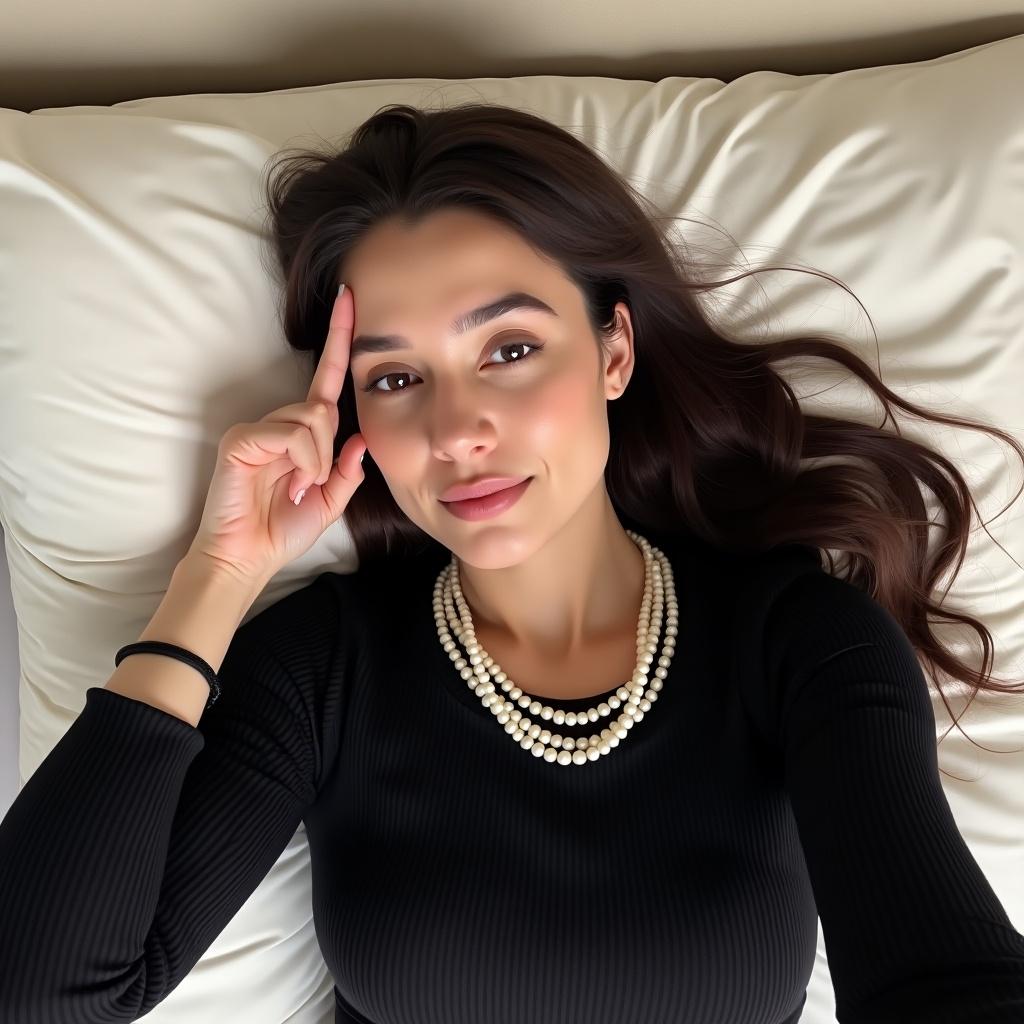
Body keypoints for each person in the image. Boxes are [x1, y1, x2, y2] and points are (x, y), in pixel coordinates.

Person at [1, 101, 1024, 1024]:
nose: (455, 430)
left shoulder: (802, 650)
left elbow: (948, 986)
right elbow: (43, 993)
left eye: (508, 350)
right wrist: (217, 574)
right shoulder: (322, 673)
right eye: (396, 375)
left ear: (614, 351)